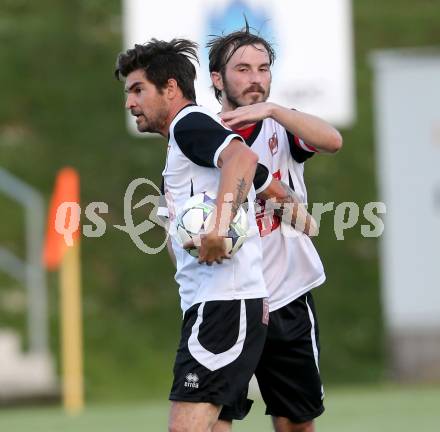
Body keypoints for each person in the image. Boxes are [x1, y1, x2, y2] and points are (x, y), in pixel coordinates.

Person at [114, 38, 270, 432]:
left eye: (137, 90)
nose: (129, 103)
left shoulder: (188, 124)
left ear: (170, 88)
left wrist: (219, 227)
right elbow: (266, 182)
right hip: (222, 304)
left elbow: (244, 158)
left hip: (222, 305)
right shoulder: (191, 137)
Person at [207, 25, 343, 432]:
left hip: (287, 294)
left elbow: (333, 140)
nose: (255, 79)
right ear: (218, 79)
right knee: (214, 418)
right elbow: (175, 223)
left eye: (263, 69)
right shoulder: (201, 137)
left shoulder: (280, 126)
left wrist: (274, 110)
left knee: (296, 422)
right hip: (227, 300)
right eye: (243, 69)